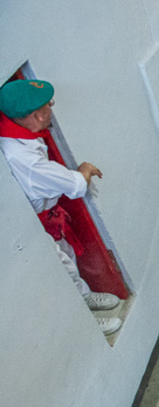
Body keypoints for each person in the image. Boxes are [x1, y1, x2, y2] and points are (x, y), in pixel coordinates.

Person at [0, 79, 122, 334]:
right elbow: (76, 185)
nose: (51, 109)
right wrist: (84, 170)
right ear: (36, 115)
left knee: (69, 261)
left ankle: (87, 298)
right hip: (38, 228)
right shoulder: (24, 158)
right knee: (63, 271)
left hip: (49, 217)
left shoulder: (16, 134)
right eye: (49, 105)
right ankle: (87, 322)